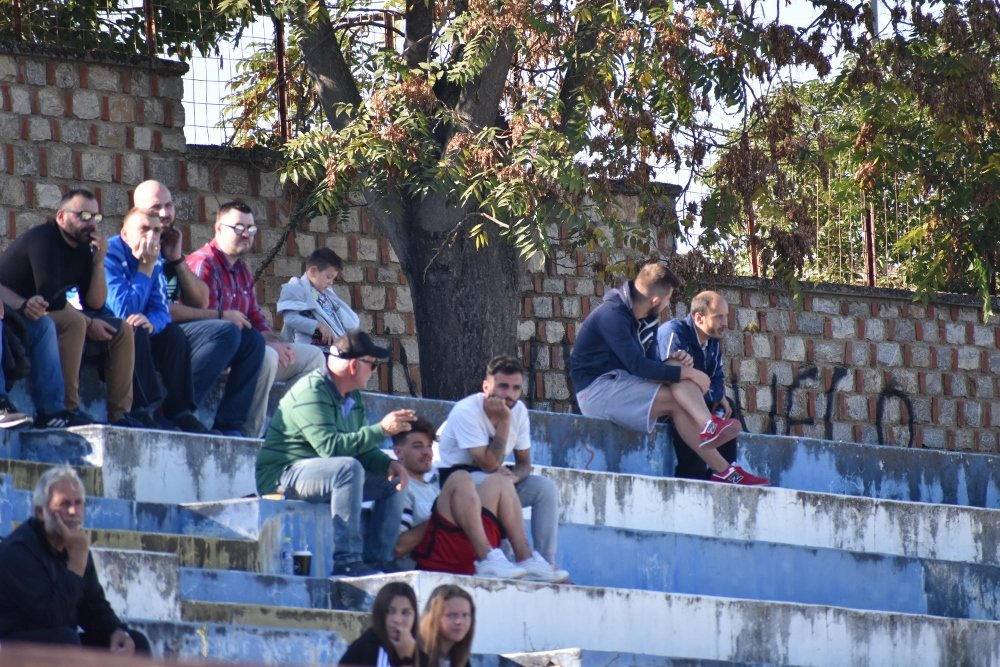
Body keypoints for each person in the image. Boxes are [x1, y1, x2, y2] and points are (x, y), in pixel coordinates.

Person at [569, 261, 768, 486]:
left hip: (623, 384)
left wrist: (677, 363)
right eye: (668, 300)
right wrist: (689, 373)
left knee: (675, 370)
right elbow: (638, 366)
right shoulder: (612, 315)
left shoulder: (647, 317)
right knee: (678, 386)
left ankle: (726, 470)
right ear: (655, 300)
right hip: (595, 391)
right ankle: (710, 429)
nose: (667, 305)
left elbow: (652, 363)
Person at [256, 330, 413, 576]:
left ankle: (379, 560)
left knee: (394, 479)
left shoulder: (353, 397)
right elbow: (329, 448)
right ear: (353, 365)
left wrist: (387, 464)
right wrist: (381, 430)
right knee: (348, 469)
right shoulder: (312, 390)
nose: (374, 372)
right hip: (283, 477)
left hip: (321, 475)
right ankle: (347, 560)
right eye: (372, 365)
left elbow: (361, 447)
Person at [133, 180, 265, 436]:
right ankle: (173, 411)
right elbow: (165, 310)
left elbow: (200, 302)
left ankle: (229, 426)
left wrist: (177, 260)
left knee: (254, 341)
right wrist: (220, 316)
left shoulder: (169, 248)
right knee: (227, 331)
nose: (164, 213)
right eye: (156, 207)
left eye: (169, 206)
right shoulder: (131, 246)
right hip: (145, 334)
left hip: (172, 334)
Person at [186, 200, 324, 437]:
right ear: (219, 228)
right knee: (266, 355)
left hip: (248, 349)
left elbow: (256, 319)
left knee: (314, 358)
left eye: (251, 230)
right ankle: (248, 435)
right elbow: (210, 328)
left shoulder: (242, 269)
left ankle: (281, 430)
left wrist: (277, 342)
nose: (246, 235)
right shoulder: (204, 264)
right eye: (239, 228)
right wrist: (269, 345)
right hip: (213, 355)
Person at [0, 189, 135, 427]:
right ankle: (66, 407)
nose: (91, 223)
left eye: (95, 217)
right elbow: (49, 295)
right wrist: (90, 322)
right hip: (16, 311)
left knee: (122, 330)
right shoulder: (44, 239)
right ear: (61, 217)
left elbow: (95, 303)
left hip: (41, 310)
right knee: (75, 322)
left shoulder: (84, 250)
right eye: (83, 215)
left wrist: (98, 262)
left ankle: (121, 414)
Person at [436, 355, 567, 579]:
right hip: (453, 483)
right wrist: (505, 421)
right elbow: (488, 464)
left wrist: (514, 477)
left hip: (494, 479)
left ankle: (544, 562)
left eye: (516, 388)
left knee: (545, 488)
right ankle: (521, 556)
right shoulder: (466, 411)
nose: (510, 394)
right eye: (503, 386)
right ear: (486, 386)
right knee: (498, 480)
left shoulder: (520, 411)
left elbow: (524, 463)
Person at [0, 465, 150, 654]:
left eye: (78, 503)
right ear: (41, 512)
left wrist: (116, 631)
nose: (73, 512)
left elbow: (94, 607)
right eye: (64, 504)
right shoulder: (18, 552)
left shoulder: (74, 544)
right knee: (65, 640)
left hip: (59, 642)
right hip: (14, 649)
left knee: (136, 643)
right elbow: (51, 617)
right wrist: (77, 560)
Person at [394, 417, 564, 581]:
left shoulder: (433, 485)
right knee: (460, 478)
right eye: (418, 446)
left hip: (462, 553)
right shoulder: (401, 488)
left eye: (429, 446)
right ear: (399, 452)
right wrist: (442, 518)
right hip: (429, 561)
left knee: (500, 481)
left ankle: (525, 559)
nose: (426, 453)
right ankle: (487, 556)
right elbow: (398, 547)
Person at [104, 208, 211, 432]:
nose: (151, 237)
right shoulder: (110, 255)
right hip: (104, 327)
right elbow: (122, 310)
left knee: (173, 335)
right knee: (133, 327)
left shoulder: (155, 257)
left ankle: (180, 411)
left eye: (156, 231)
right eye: (144, 229)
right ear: (125, 234)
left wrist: (152, 323)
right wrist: (145, 268)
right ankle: (141, 408)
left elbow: (162, 310)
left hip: (140, 328)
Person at [658, 291, 743, 481]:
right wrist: (708, 394)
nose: (725, 322)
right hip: (664, 405)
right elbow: (671, 379)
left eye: (726, 316)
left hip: (698, 404)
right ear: (698, 317)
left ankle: (725, 473)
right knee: (687, 407)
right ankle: (692, 475)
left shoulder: (713, 343)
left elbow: (718, 383)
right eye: (719, 317)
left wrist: (713, 396)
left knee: (726, 405)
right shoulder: (674, 333)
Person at [277, 246, 361, 350]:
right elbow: (290, 319)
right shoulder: (296, 287)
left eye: (333, 278)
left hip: (333, 352)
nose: (331, 282)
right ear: (313, 271)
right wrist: (317, 325)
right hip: (309, 352)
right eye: (328, 277)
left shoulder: (327, 294)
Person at [338, 581, 427, 667]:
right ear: (379, 613)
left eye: (405, 612)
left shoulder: (423, 657)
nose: (398, 620)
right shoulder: (362, 650)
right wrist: (406, 660)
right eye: (389, 611)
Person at [419, 585, 475, 667]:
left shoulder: (460, 658)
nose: (459, 621)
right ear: (433, 618)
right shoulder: (415, 654)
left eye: (465, 615)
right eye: (451, 615)